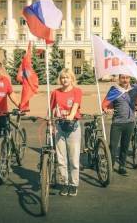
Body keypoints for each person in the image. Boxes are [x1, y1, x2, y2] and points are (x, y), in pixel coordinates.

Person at [50, 69, 82, 197]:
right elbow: (51, 108)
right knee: (61, 158)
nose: (64, 80)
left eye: (67, 77)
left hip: (72, 126)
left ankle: (73, 184)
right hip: (59, 126)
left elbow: (75, 105)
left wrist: (71, 115)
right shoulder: (55, 92)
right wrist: (50, 123)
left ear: (72, 79)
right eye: (62, 77)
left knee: (73, 158)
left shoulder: (77, 91)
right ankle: (64, 183)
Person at [102, 74, 137, 175]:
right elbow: (105, 103)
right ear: (119, 79)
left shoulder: (135, 88)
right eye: (123, 78)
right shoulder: (114, 89)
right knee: (113, 146)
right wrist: (106, 109)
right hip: (117, 123)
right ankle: (110, 166)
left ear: (130, 78)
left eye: (127, 78)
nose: (125, 80)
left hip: (130, 122)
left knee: (125, 146)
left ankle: (122, 166)